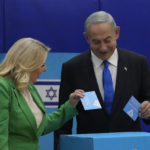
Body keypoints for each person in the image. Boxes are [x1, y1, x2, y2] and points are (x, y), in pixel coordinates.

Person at [54, 11, 150, 150]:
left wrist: (148, 110)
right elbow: (63, 121)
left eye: (107, 40)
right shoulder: (72, 68)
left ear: (117, 32)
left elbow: (147, 99)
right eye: (96, 42)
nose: (103, 48)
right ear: (87, 38)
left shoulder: (138, 63)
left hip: (129, 146)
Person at [0, 37, 84, 150]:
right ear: (28, 64)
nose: (45, 69)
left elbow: (42, 126)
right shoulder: (2, 87)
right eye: (42, 65)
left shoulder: (28, 87)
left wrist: (70, 105)